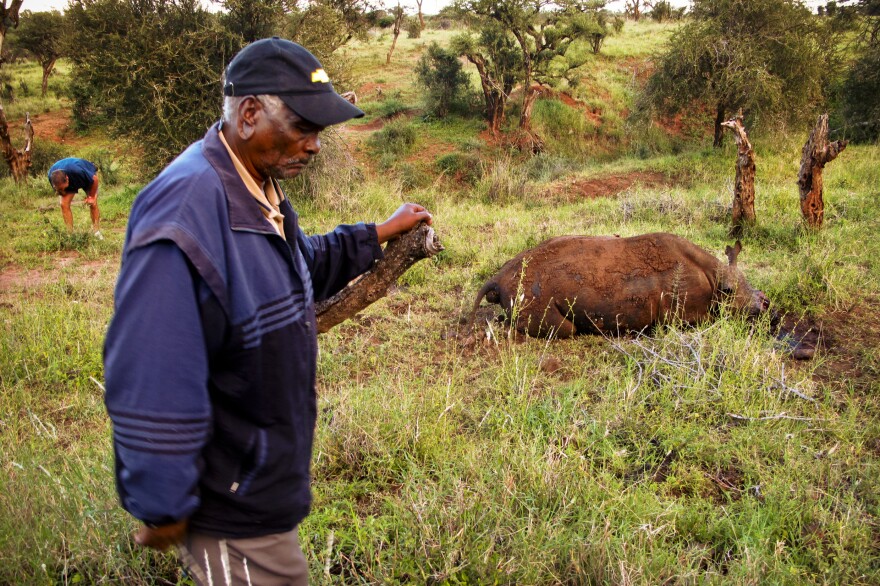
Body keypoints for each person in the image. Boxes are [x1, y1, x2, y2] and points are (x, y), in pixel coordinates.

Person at [103, 38, 432, 585]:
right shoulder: (186, 210)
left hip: (257, 488)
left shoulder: (255, 187)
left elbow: (297, 265)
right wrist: (163, 499)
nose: (314, 145)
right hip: (231, 506)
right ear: (250, 113)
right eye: (303, 125)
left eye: (319, 131)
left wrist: (374, 235)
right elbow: (150, 365)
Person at [48, 157, 102, 239]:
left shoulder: (78, 171)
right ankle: (70, 234)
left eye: (63, 188)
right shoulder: (51, 176)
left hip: (85, 177)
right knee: (63, 204)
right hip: (69, 178)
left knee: (93, 204)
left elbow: (95, 179)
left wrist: (91, 197)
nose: (63, 190)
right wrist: (62, 191)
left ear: (67, 178)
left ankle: (97, 232)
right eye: (60, 188)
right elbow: (60, 190)